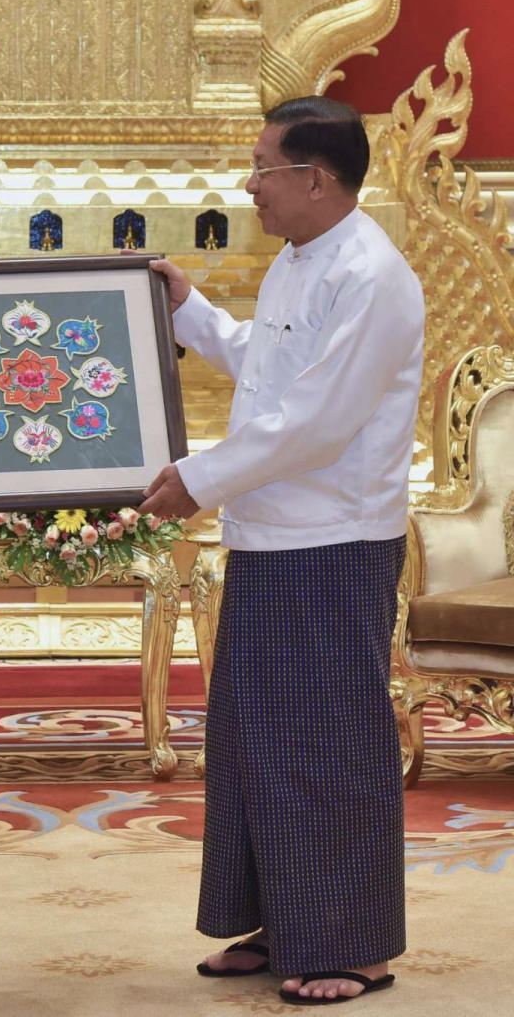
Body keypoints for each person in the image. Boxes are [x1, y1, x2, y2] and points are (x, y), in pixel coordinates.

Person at [141, 96, 424, 1006]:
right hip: (269, 531)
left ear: (316, 177)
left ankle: (354, 943)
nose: (249, 182)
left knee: (330, 739)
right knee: (259, 735)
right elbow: (268, 367)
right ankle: (287, 919)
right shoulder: (299, 261)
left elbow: (320, 421)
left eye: (263, 166)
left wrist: (197, 475)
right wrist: (189, 311)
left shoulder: (375, 276)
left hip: (334, 538)